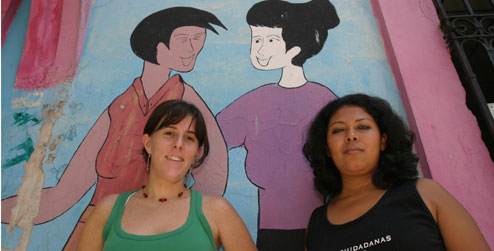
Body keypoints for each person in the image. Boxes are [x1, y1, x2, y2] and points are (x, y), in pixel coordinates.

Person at [2, 7, 228, 250]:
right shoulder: (119, 107)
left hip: (159, 227)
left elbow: (213, 184)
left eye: (198, 39)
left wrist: (181, 228)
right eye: (184, 40)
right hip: (98, 226)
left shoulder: (190, 104)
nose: (194, 49)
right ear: (157, 47)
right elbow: (63, 194)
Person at [216, 0, 339, 250]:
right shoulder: (254, 101)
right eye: (256, 40)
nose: (259, 49)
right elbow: (212, 138)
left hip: (327, 222)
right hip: (272, 226)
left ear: (295, 47)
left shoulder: (325, 101)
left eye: (270, 40)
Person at [303, 94, 490, 250]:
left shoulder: (426, 193)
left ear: (383, 140)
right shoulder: (317, 224)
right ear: (327, 149)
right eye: (338, 130)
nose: (351, 136)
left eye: (363, 127)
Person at [77, 100, 256, 251]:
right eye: (169, 133)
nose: (178, 144)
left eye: (189, 138)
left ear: (196, 152)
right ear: (148, 143)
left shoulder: (216, 211)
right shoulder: (107, 211)